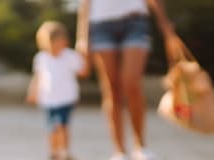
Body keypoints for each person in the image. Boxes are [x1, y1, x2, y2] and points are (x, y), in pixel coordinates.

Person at [74, 0, 175, 160]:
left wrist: (164, 22)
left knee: (131, 83)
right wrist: (82, 37)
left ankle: (140, 146)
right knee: (112, 89)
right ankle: (119, 151)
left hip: (134, 22)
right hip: (101, 24)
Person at [26, 21, 89, 160]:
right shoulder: (41, 58)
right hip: (48, 99)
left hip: (66, 98)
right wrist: (33, 91)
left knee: (62, 125)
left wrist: (84, 55)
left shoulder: (70, 56)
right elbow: (38, 77)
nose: (54, 48)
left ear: (64, 42)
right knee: (51, 128)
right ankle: (54, 152)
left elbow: (83, 72)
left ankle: (64, 151)